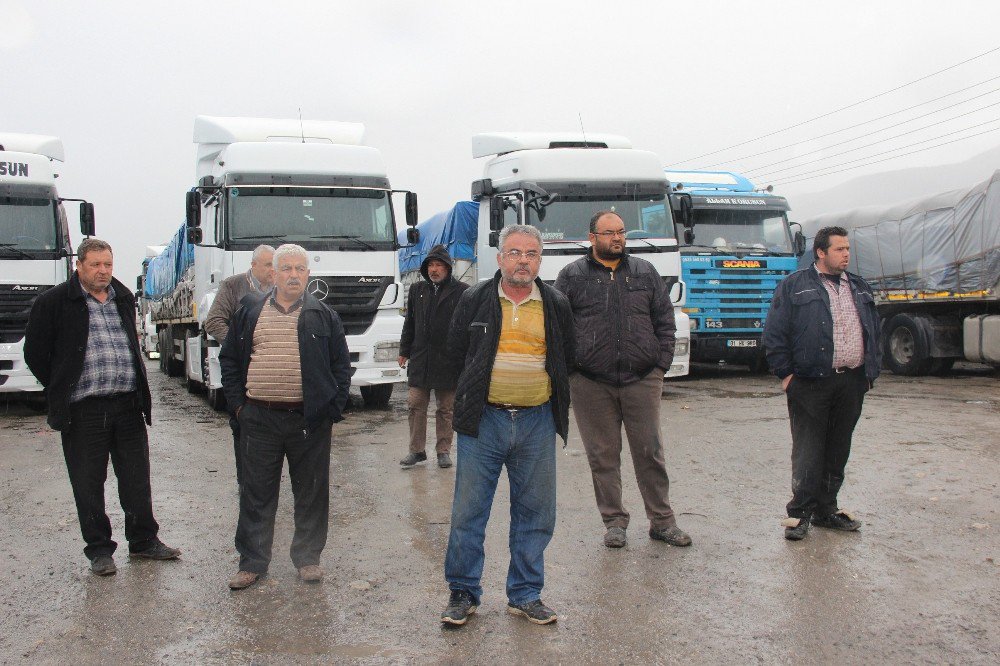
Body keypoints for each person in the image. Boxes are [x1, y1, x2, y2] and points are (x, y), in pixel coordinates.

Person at [440, 225, 574, 627]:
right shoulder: (475, 299)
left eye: (531, 254)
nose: (522, 260)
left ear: (540, 260)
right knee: (469, 512)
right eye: (514, 252)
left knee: (536, 513)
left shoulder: (555, 303)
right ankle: (463, 593)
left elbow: (568, 357)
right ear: (499, 258)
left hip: (536, 420)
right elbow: (454, 354)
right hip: (484, 421)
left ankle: (526, 594)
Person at [24, 238, 181, 576]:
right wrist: (60, 386)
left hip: (127, 405)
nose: (102, 271)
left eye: (107, 265)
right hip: (84, 411)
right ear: (78, 266)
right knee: (88, 483)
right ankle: (99, 549)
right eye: (95, 265)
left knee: (137, 480)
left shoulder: (122, 298)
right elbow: (35, 354)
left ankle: (143, 541)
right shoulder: (53, 303)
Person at [554, 210, 691, 550]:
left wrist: (660, 365)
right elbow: (557, 327)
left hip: (642, 378)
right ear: (592, 238)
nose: (617, 238)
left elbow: (664, 320)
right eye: (608, 232)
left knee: (650, 452)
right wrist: (572, 370)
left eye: (621, 232)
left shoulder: (645, 272)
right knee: (602, 455)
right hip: (590, 382)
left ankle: (662, 521)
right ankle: (614, 522)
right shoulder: (571, 276)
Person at [219, 243, 351, 589]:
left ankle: (308, 559)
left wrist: (329, 411)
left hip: (308, 421)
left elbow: (341, 367)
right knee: (256, 492)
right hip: (259, 418)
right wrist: (238, 406)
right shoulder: (249, 309)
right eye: (287, 269)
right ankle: (252, 562)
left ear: (308, 274)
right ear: (273, 274)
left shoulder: (323, 314)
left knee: (310, 491)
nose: (294, 275)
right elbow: (230, 360)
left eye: (301, 269)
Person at [763, 226, 881, 541]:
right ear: (821, 252)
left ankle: (826, 510)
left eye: (847, 249)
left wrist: (868, 374)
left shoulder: (859, 287)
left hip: (851, 382)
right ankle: (799, 514)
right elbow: (775, 334)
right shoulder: (794, 286)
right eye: (840, 249)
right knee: (808, 451)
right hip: (809, 383)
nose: (846, 254)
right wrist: (786, 376)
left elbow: (873, 330)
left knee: (837, 448)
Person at [204, 244, 275, 487]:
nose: (272, 270)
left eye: (274, 265)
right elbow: (213, 321)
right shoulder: (233, 286)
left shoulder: (281, 289)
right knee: (247, 448)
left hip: (273, 377)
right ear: (253, 265)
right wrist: (239, 343)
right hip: (245, 375)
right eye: (267, 265)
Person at [398, 244, 469, 469]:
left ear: (447, 268)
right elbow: (410, 323)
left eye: (438, 265)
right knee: (415, 404)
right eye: (430, 265)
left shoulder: (462, 292)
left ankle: (443, 451)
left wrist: (466, 358)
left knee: (446, 409)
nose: (434, 269)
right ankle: (417, 450)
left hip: (449, 360)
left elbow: (467, 328)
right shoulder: (418, 290)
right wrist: (404, 351)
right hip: (421, 359)